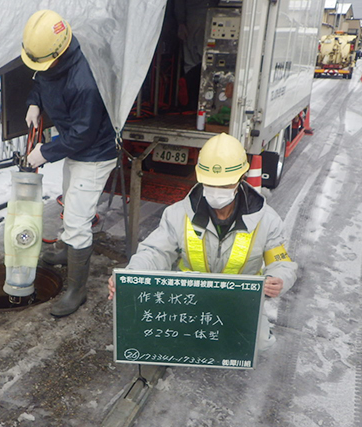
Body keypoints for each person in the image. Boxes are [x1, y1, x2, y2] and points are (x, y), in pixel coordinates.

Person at [107, 133, 297, 350]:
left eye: (225, 185)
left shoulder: (266, 219)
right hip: (188, 298)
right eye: (211, 184)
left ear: (240, 179)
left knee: (260, 343)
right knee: (163, 335)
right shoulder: (178, 214)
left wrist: (278, 278)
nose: (217, 191)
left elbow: (282, 262)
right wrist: (131, 275)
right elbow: (155, 252)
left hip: (238, 301)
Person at [22, 10, 118, 317]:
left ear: (60, 52)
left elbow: (83, 134)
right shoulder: (53, 59)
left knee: (78, 218)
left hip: (94, 153)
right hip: (75, 146)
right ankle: (66, 250)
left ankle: (77, 291)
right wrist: (34, 102)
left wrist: (45, 152)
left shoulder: (84, 79)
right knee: (71, 204)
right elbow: (41, 78)